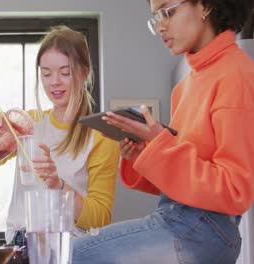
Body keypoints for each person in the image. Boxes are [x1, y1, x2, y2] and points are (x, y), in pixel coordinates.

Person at [73, 0, 254, 263]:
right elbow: (183, 178)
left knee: (75, 254)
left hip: (206, 229)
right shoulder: (184, 86)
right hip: (174, 217)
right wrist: (143, 152)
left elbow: (235, 190)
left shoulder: (235, 73)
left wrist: (159, 143)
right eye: (156, 17)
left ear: (205, 6)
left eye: (168, 12)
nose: (161, 26)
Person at [0, 26, 120, 248]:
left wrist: (57, 184)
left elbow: (100, 217)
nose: (53, 82)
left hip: (69, 246)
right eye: (46, 73)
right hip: (20, 244)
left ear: (84, 73)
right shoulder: (28, 124)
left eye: (65, 73)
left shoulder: (101, 136)